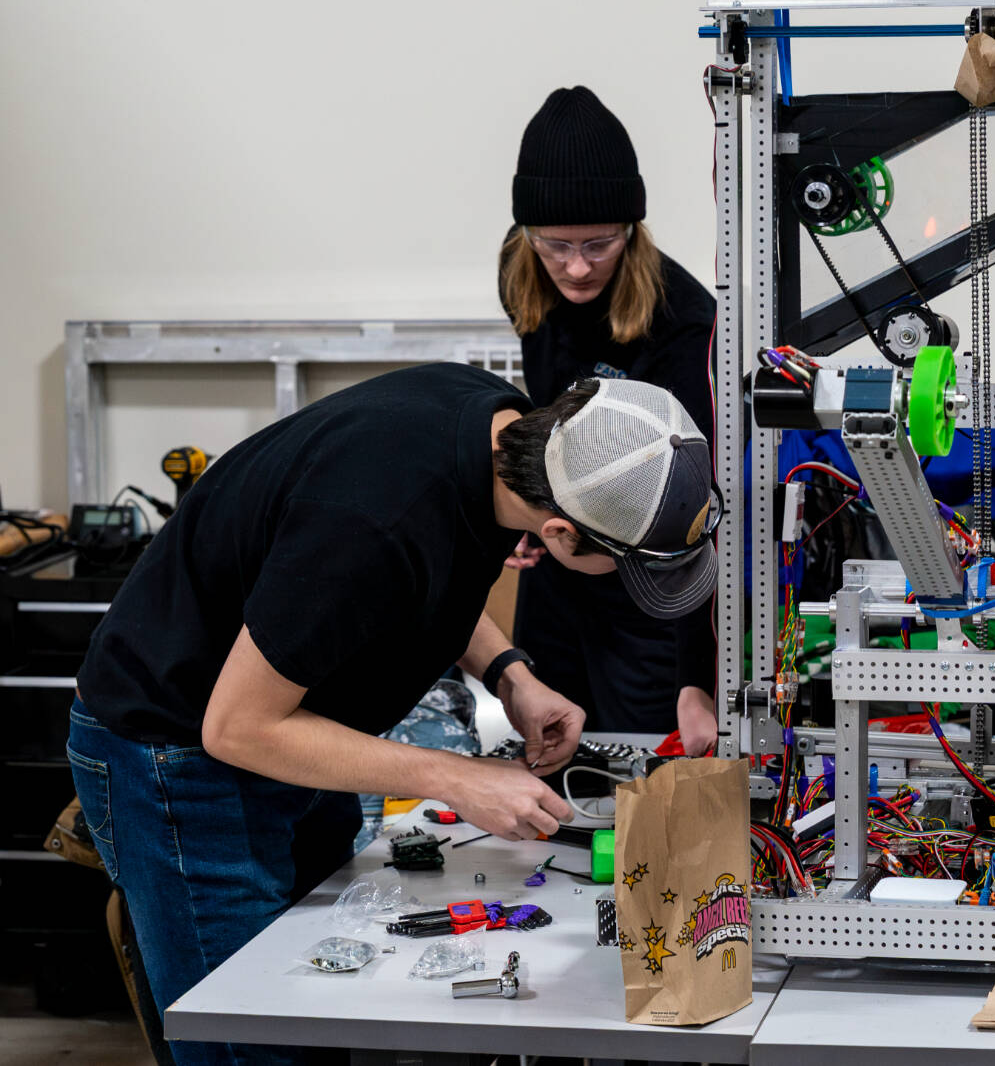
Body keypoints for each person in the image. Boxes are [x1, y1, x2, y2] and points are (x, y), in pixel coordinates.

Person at [71, 368, 720, 1065]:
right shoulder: (370, 518)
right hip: (180, 759)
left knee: (317, 1012)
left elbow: (429, 569)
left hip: (295, 734)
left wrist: (511, 675)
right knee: (251, 1043)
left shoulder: (493, 429)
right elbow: (236, 727)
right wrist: (457, 779)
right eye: (625, 568)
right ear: (560, 534)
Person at [499, 85, 720, 753]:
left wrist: (696, 677)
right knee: (553, 749)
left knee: (643, 770)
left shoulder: (685, 328)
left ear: (632, 229)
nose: (574, 266)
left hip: (646, 595)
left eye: (598, 244)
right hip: (561, 569)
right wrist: (524, 516)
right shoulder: (520, 273)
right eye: (554, 244)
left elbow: (699, 515)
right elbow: (546, 422)